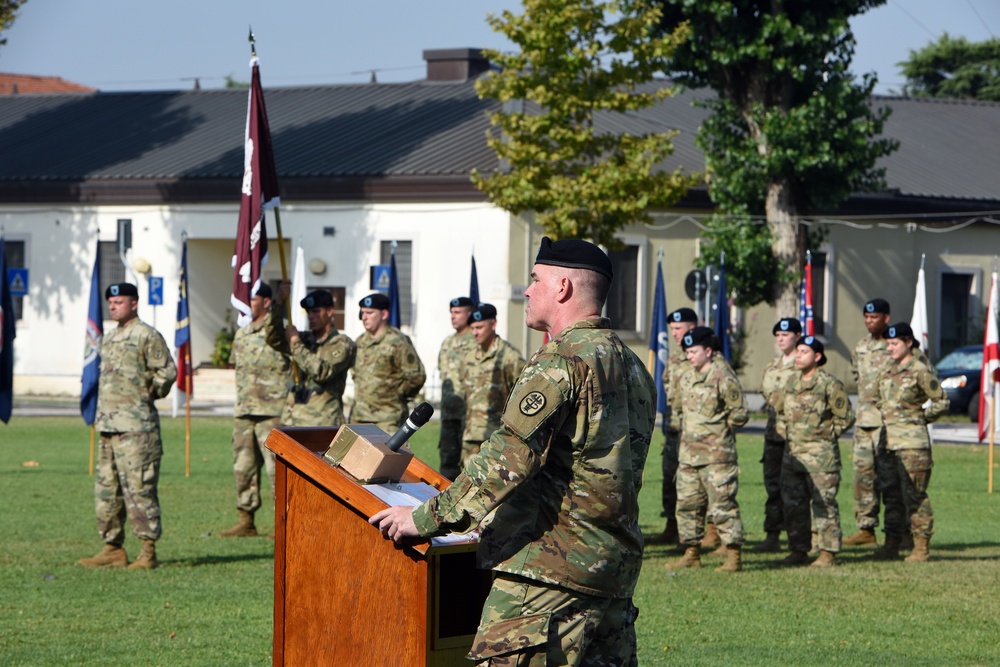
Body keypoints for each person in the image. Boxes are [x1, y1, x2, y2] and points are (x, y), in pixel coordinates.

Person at [370, 237, 655, 666]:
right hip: (611, 571)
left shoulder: (560, 362)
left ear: (563, 288)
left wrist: (425, 518)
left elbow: (507, 459)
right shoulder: (634, 366)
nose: (526, 290)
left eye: (535, 279)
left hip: (548, 573)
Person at [78, 283, 176, 570]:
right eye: (110, 302)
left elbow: (167, 372)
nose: (112, 306)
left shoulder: (146, 335)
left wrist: (149, 393)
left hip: (137, 429)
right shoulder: (109, 339)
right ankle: (112, 547)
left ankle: (147, 550)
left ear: (134, 304)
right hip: (109, 425)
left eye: (119, 302)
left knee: (139, 489)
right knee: (107, 489)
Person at [667, 326, 749, 573]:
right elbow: (679, 409)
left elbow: (740, 413)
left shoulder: (722, 376)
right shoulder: (686, 376)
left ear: (709, 351)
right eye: (687, 352)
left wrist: (719, 432)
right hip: (689, 454)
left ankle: (733, 555)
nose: (689, 356)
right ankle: (692, 552)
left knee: (722, 505)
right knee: (688, 505)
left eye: (694, 351)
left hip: (716, 456)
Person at [773, 336, 855, 567]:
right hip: (793, 457)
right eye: (797, 351)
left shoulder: (829, 384)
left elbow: (846, 417)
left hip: (821, 459)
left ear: (817, 357)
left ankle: (828, 552)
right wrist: (787, 435)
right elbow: (779, 414)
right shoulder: (790, 383)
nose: (799, 356)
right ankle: (799, 549)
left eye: (804, 352)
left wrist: (826, 437)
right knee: (793, 505)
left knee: (824, 504)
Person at [220, 283, 293, 538]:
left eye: (253, 299)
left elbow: (276, 329)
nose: (248, 303)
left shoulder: (277, 331)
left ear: (266, 301)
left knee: (276, 471)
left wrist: (282, 300)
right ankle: (246, 519)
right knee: (243, 468)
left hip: (271, 410)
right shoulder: (242, 334)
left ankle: (281, 523)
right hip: (244, 410)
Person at [872, 322, 949, 562]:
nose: (890, 348)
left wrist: (920, 418)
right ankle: (892, 543)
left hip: (913, 445)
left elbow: (942, 401)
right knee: (891, 495)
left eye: (895, 344)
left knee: (914, 495)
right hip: (888, 443)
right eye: (888, 344)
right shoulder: (887, 371)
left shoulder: (920, 370)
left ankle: (920, 547)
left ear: (908, 342)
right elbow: (877, 397)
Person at [269, 287, 356, 427]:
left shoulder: (342, 343)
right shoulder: (304, 339)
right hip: (292, 420)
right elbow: (274, 338)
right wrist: (278, 302)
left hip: (322, 423)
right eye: (309, 312)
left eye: (316, 311)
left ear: (329, 312)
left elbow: (322, 372)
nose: (311, 316)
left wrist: (296, 344)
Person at [844, 298, 893, 548]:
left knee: (890, 479)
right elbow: (857, 377)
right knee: (862, 477)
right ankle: (866, 529)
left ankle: (898, 532)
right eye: (866, 317)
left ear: (886, 318)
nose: (869, 321)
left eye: (874, 317)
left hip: (888, 424)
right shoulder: (861, 347)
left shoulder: (895, 346)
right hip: (864, 422)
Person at [648, 307, 697, 546]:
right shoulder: (675, 358)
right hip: (674, 430)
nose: (674, 333)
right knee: (670, 478)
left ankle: (705, 531)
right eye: (673, 329)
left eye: (679, 328)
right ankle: (672, 525)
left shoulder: (702, 355)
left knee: (696, 483)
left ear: (692, 328)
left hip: (695, 433)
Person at [753, 317, 802, 553]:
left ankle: (800, 538)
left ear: (798, 336)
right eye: (778, 336)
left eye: (787, 335)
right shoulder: (771, 368)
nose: (781, 339)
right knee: (773, 487)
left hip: (796, 437)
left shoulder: (803, 367)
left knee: (796, 490)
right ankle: (772, 535)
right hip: (774, 436)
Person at [460, 302, 525, 466]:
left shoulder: (509, 357)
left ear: (493, 324)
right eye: (473, 328)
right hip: (470, 437)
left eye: (480, 328)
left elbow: (522, 394)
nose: (475, 333)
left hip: (495, 439)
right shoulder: (469, 357)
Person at [350, 292, 426, 433]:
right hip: (359, 417)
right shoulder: (360, 342)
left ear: (384, 314)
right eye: (363, 313)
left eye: (370, 313)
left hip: (387, 419)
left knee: (389, 454)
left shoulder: (398, 342)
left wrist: (396, 393)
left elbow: (416, 377)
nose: (364, 317)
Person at [437, 296, 475, 480]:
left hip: (469, 417)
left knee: (471, 467)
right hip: (449, 415)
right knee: (448, 465)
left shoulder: (476, 341)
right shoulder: (447, 343)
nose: (453, 317)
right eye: (451, 312)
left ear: (469, 314)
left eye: (458, 312)